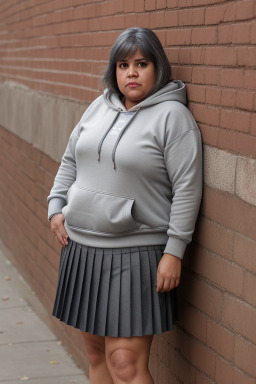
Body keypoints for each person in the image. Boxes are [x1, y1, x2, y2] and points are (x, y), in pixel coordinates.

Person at [48, 27, 202, 384]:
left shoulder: (173, 119)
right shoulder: (97, 108)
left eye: (141, 63)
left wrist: (174, 251)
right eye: (122, 65)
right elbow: (71, 159)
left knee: (126, 366)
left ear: (158, 68)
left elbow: (187, 188)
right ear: (113, 71)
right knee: (96, 354)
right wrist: (56, 205)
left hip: (135, 255)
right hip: (82, 249)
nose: (130, 72)